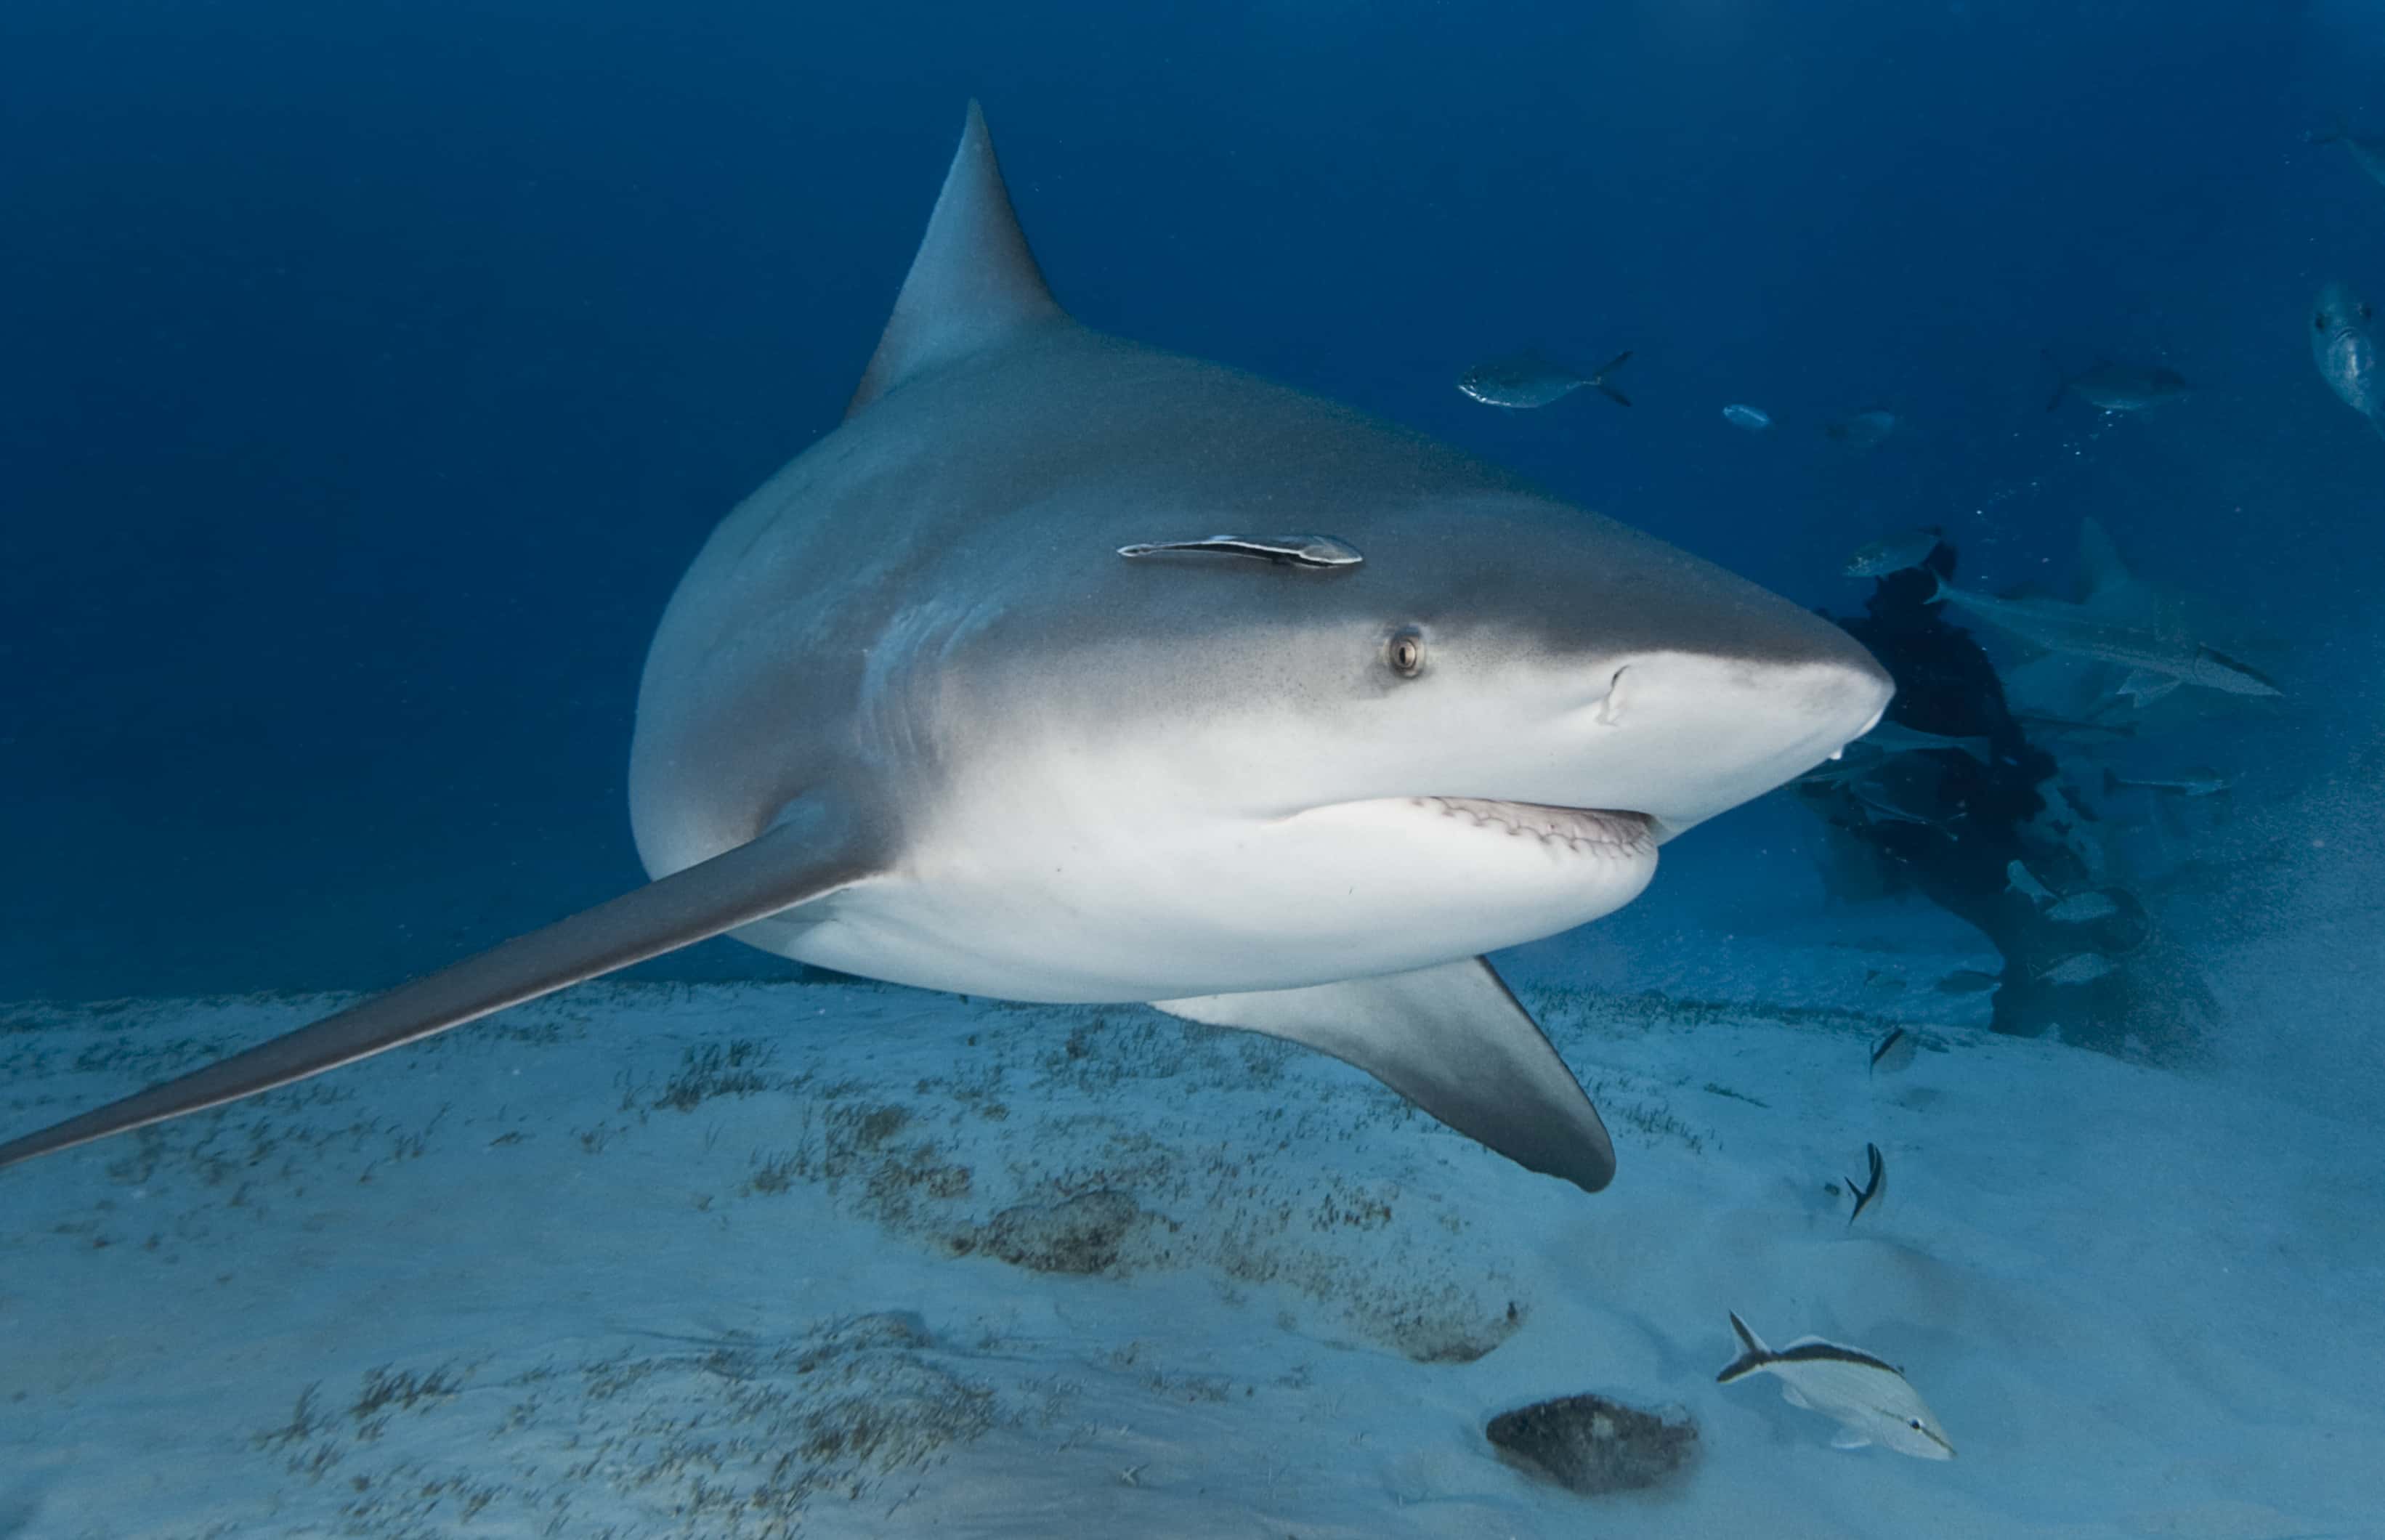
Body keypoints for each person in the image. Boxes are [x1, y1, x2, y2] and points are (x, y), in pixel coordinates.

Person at [1800, 538, 2205, 1055]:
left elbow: (2003, 732)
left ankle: (2138, 1027)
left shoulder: (1958, 650)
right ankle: (2030, 1049)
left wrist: (2025, 777)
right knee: (2030, 932)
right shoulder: (1849, 652)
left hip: (2004, 817)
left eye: (1928, 582)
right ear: (1881, 582)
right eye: (1905, 579)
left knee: (2094, 913)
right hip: (1920, 832)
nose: (1918, 593)